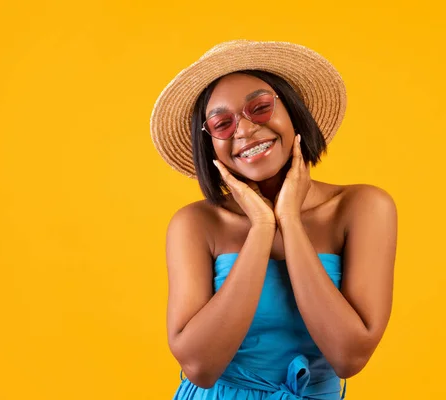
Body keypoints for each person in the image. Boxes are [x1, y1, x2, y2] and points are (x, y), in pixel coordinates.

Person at [150, 40, 398, 400]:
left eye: (260, 107)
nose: (244, 130)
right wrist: (263, 228)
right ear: (209, 144)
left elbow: (349, 356)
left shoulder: (362, 207)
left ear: (292, 111)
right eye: (222, 123)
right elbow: (200, 367)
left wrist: (289, 222)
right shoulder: (196, 223)